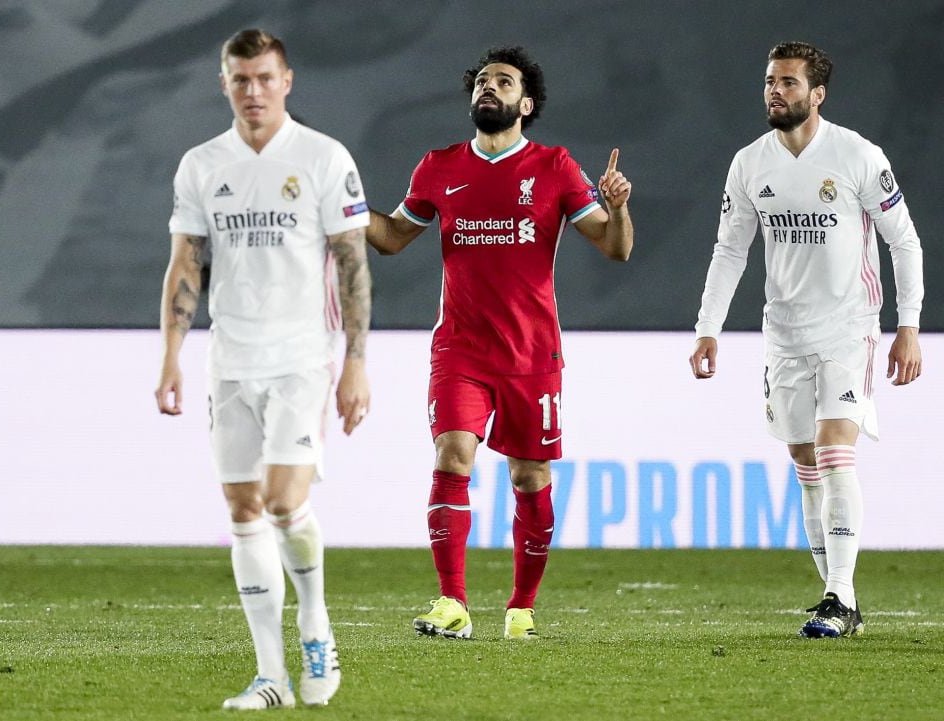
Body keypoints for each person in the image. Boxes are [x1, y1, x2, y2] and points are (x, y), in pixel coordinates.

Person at [365, 46, 633, 640]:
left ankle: (520, 607)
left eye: (503, 82)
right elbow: (391, 239)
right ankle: (452, 603)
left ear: (525, 103)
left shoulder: (556, 166)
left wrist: (618, 209)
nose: (489, 88)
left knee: (528, 479)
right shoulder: (438, 166)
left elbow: (616, 248)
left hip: (532, 355)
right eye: (482, 81)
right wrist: (349, 208)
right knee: (452, 455)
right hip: (460, 349)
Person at [155, 28, 372, 709]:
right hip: (231, 362)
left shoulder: (322, 157)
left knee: (284, 501)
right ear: (225, 83)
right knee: (243, 509)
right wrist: (171, 356)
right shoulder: (201, 165)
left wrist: (356, 363)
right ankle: (271, 675)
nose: (253, 91)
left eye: (265, 78)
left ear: (288, 80)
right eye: (241, 79)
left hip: (302, 360)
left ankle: (316, 626)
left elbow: (353, 264)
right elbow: (187, 264)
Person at [690, 41, 924, 639]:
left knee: (833, 447)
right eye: (771, 81)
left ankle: (839, 597)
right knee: (803, 460)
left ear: (817, 94)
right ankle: (838, 598)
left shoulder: (857, 156)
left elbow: (904, 241)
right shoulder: (749, 164)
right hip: (784, 334)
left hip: (849, 327)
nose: (776, 91)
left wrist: (908, 326)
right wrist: (708, 328)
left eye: (790, 83)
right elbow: (730, 250)